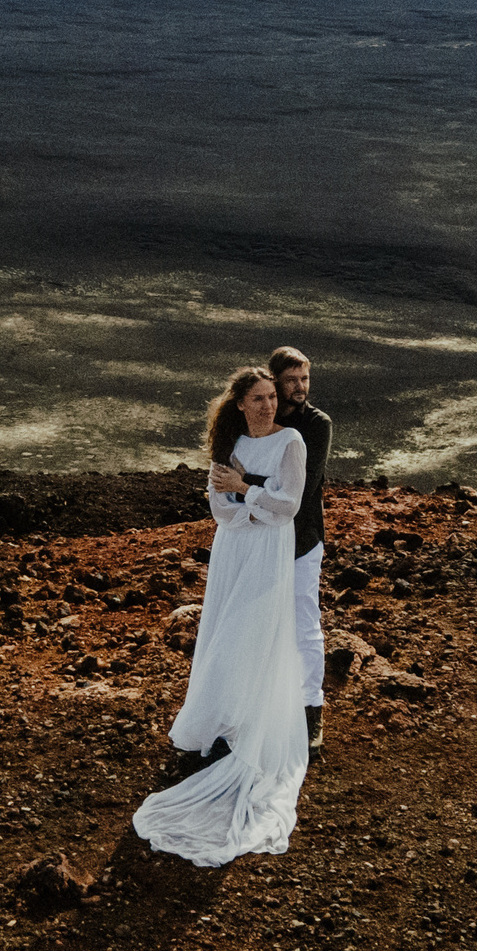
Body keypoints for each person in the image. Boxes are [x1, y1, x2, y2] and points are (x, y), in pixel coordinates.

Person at [131, 366, 310, 867]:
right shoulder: (229, 443)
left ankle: (248, 729)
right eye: (258, 398)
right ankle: (222, 724)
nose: (269, 406)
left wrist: (247, 491)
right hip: (234, 547)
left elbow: (289, 505)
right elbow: (220, 505)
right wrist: (250, 502)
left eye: (273, 397)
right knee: (221, 634)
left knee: (249, 634)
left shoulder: (290, 441)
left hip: (269, 551)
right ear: (239, 403)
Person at [267, 346, 332, 752]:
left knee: (304, 622)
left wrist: (247, 486)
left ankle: (311, 710)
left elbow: (303, 488)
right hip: (262, 537)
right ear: (275, 381)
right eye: (291, 380)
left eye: (304, 379)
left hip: (302, 537)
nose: (299, 387)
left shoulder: (317, 425)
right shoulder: (261, 417)